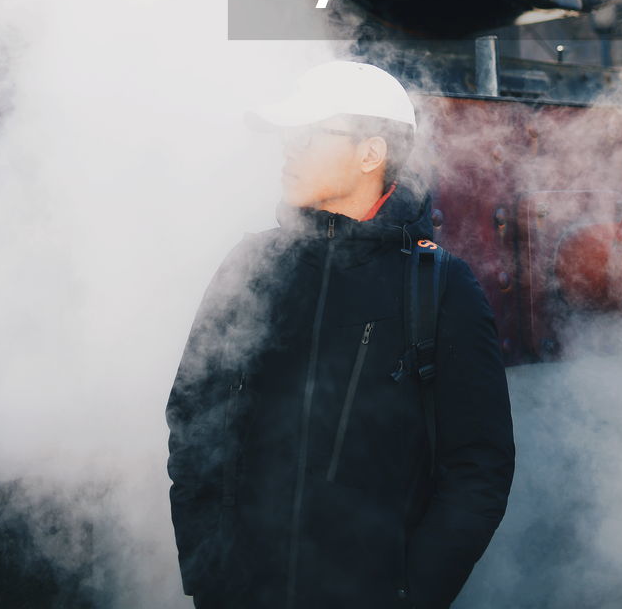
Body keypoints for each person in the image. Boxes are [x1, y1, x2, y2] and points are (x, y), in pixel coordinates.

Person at [166, 60, 515, 609]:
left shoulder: (441, 284)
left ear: (371, 153)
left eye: (308, 135)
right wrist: (211, 578)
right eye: (287, 136)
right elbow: (193, 423)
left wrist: (411, 595)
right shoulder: (252, 264)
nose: (288, 149)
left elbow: (478, 471)